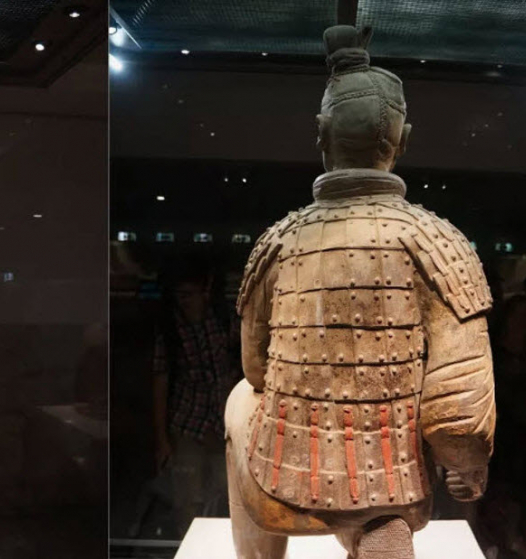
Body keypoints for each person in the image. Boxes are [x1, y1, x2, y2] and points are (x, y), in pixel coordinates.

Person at [226, 25, 495, 559]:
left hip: (284, 469)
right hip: (395, 476)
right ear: (403, 139)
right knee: (385, 488)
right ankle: (371, 524)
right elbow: (459, 394)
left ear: (321, 132)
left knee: (241, 398)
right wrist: (465, 463)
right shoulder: (436, 239)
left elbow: (255, 367)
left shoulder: (279, 240)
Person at [150, 261, 238, 532]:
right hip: (188, 424)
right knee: (187, 499)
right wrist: (162, 440)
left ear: (205, 291)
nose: (183, 301)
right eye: (179, 295)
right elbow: (160, 382)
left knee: (229, 495)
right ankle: (187, 543)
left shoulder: (224, 321)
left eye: (188, 294)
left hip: (225, 423)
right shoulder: (171, 332)